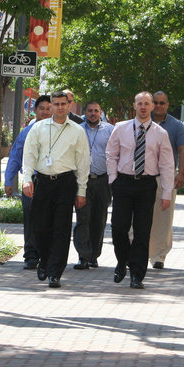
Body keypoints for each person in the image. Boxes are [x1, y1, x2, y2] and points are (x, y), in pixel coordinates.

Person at [106, 91, 174, 289]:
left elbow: (167, 164)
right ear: (134, 106)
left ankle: (137, 274)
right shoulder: (121, 128)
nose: (143, 107)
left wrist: (167, 193)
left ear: (152, 106)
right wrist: (113, 179)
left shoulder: (160, 133)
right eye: (140, 103)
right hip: (123, 183)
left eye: (147, 103)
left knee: (142, 232)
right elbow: (111, 154)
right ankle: (122, 261)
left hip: (146, 185)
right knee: (119, 227)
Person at [22, 91, 90, 288]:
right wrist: (27, 180)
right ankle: (44, 260)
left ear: (70, 105)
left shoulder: (77, 131)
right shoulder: (38, 128)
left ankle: (55, 272)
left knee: (61, 229)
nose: (60, 107)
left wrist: (81, 191)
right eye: (56, 104)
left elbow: (83, 163)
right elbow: (29, 155)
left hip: (65, 183)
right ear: (51, 105)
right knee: (40, 227)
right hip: (42, 181)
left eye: (63, 104)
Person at [4, 95, 52, 270]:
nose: (45, 112)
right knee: (30, 218)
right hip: (31, 181)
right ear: (35, 111)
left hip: (53, 182)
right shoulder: (26, 132)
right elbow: (15, 157)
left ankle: (47, 255)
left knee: (49, 220)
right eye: (42, 109)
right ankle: (31, 255)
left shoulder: (60, 132)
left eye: (49, 108)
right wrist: (9, 181)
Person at [148, 91, 184, 269]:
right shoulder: (142, 121)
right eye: (155, 102)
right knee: (138, 217)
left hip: (165, 177)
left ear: (167, 104)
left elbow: (183, 150)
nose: (158, 106)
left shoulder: (176, 126)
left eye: (162, 103)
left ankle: (158, 256)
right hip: (141, 176)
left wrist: (181, 174)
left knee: (163, 218)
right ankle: (136, 252)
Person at [73, 101, 114, 270]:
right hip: (82, 180)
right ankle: (83, 256)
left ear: (101, 113)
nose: (93, 113)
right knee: (83, 218)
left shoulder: (110, 130)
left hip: (103, 180)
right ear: (84, 112)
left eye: (96, 111)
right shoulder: (77, 130)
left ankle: (94, 255)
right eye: (90, 111)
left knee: (99, 218)